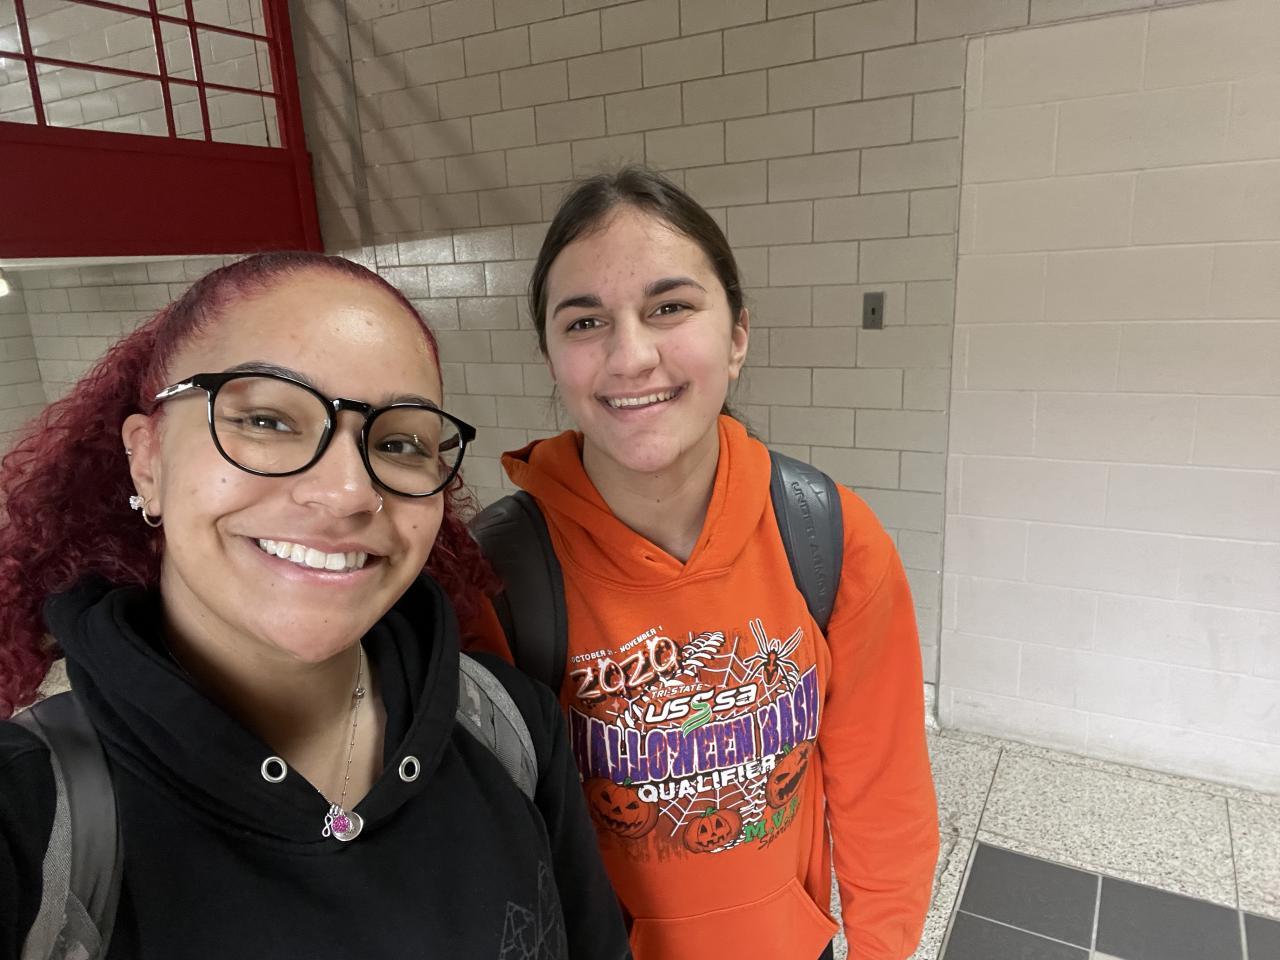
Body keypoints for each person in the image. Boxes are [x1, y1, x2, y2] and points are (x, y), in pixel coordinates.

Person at [0, 252, 630, 959]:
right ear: (147, 461)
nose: (348, 492)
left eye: (398, 442)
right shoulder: (32, 818)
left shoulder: (510, 728)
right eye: (268, 420)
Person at [465, 167, 939, 960]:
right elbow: (490, 858)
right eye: (585, 322)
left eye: (670, 307)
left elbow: (883, 797)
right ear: (550, 357)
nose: (630, 355)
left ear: (738, 336)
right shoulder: (496, 580)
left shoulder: (829, 537)